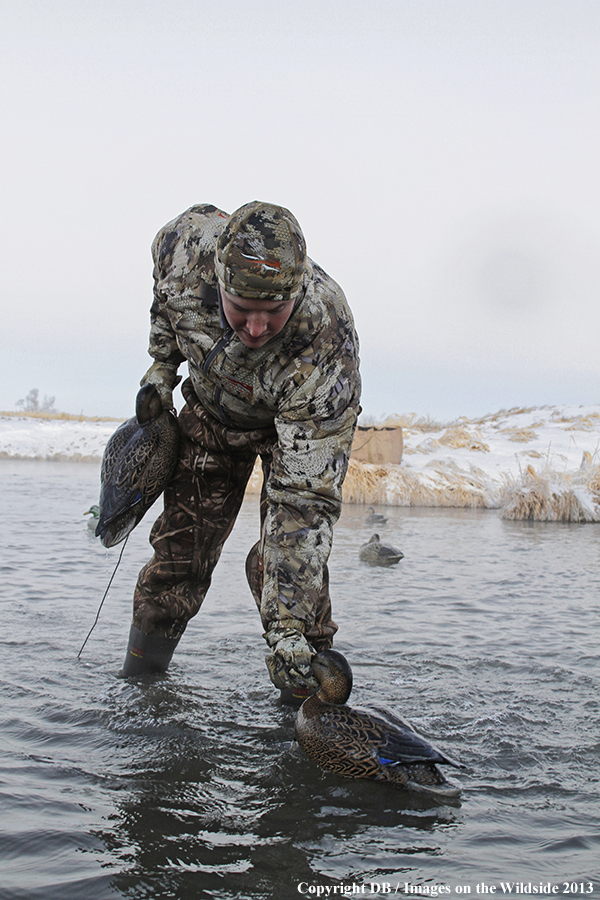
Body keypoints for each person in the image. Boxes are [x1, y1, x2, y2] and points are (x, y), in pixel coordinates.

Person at [120, 200, 361, 702]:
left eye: (273, 312)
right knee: (178, 560)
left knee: (290, 579)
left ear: (295, 293)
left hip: (289, 429)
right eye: (241, 310)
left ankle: (306, 710)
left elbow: (304, 503)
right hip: (210, 414)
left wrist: (287, 628)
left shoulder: (326, 340)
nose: (255, 329)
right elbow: (165, 301)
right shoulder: (182, 247)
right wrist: (163, 367)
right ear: (218, 282)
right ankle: (140, 696)